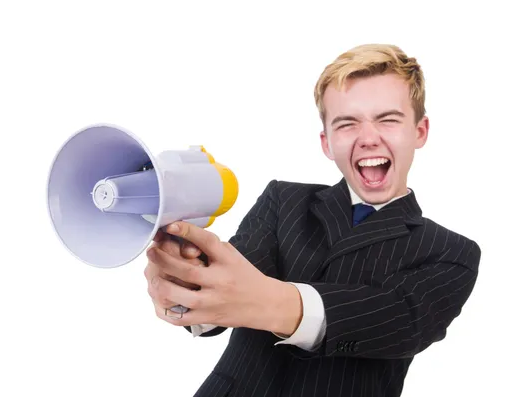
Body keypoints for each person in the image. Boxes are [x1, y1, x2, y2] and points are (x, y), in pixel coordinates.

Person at [144, 43, 481, 397]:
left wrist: (268, 301)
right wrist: (185, 285)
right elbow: (223, 292)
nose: (368, 138)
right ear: (327, 142)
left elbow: (398, 323)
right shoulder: (284, 200)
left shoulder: (452, 253)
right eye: (347, 124)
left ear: (419, 132)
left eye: (388, 119)